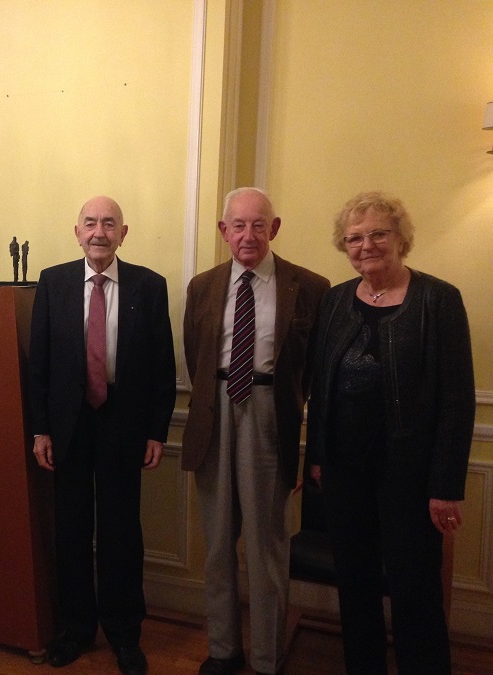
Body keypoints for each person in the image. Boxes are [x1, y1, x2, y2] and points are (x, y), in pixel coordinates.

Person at [305, 192, 475, 674]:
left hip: (411, 479)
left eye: (378, 233)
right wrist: (317, 457)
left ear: (401, 238)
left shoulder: (438, 300)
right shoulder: (335, 300)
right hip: (345, 472)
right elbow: (321, 385)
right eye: (354, 238)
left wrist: (445, 485)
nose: (366, 246)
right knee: (355, 584)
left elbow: (457, 400)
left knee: (414, 589)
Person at [182, 187, 329, 675]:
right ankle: (224, 650)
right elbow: (196, 355)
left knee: (267, 546)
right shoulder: (202, 286)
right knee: (217, 546)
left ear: (274, 228)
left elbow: (315, 369)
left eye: (258, 224)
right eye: (238, 225)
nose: (248, 235)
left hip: (270, 416)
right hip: (214, 414)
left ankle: (268, 658)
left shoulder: (311, 287)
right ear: (224, 231)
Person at [29, 196, 175, 675]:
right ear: (77, 233)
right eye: (90, 223)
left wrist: (156, 431)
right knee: (70, 531)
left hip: (123, 424)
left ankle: (124, 633)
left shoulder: (149, 286)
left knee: (121, 534)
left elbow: (162, 366)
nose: (99, 232)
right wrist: (41, 428)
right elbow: (39, 364)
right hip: (68, 426)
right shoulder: (52, 282)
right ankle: (75, 629)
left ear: (123, 233)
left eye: (108, 224)